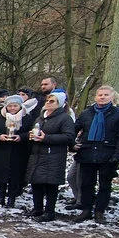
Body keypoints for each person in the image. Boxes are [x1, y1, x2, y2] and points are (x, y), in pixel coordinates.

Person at [71, 85, 119, 224]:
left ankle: (100, 211)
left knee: (104, 185)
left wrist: (117, 156)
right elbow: (73, 130)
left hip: (107, 154)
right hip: (87, 153)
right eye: (100, 95)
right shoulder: (86, 113)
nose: (102, 97)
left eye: (106, 95)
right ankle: (86, 209)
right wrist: (72, 144)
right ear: (95, 97)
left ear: (112, 97)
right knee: (86, 184)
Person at [25, 91, 74, 222]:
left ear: (60, 104)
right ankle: (38, 208)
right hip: (37, 154)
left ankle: (49, 211)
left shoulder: (65, 118)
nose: (48, 103)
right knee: (36, 182)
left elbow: (68, 137)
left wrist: (46, 138)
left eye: (52, 101)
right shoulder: (41, 117)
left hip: (53, 155)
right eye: (47, 100)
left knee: (51, 185)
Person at [0, 95, 33, 207]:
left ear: (20, 106)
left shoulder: (27, 118)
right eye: (10, 106)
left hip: (18, 151)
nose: (12, 108)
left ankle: (12, 198)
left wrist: (21, 137)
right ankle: (0, 197)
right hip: (0, 150)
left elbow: (31, 133)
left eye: (15, 106)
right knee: (1, 176)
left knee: (15, 176)